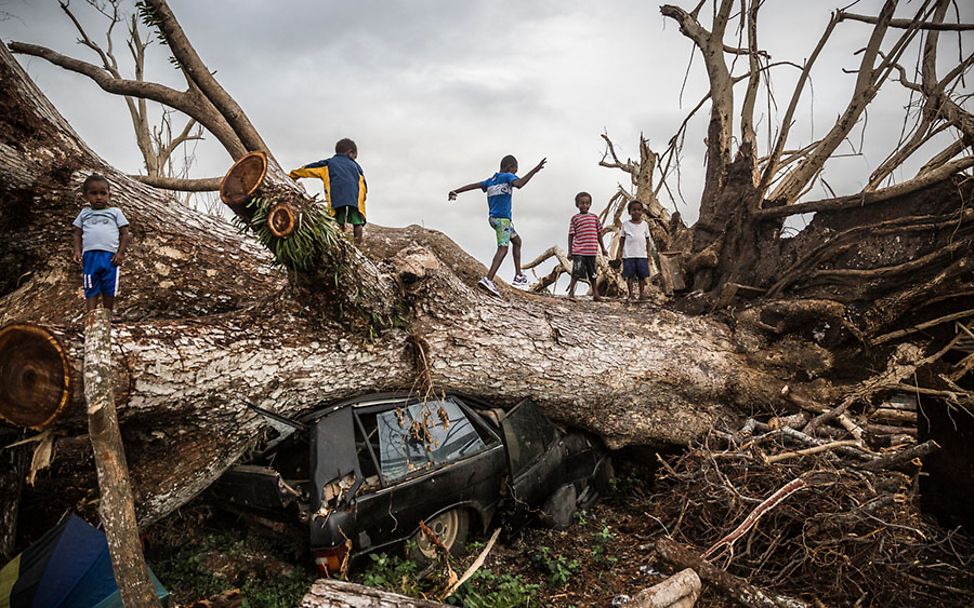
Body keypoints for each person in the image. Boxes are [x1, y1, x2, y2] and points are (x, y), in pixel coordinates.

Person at [448, 154, 546, 297]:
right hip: (502, 221)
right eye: (515, 170)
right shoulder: (507, 177)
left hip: (494, 219)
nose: (515, 174)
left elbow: (473, 185)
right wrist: (535, 170)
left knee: (517, 241)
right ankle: (488, 279)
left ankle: (518, 275)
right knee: (503, 249)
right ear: (509, 168)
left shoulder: (491, 180)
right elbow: (519, 184)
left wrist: (456, 191)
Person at [289, 138, 368, 244]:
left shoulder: (328, 164)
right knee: (357, 222)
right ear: (350, 152)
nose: (355, 158)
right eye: (355, 156)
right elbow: (364, 185)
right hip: (355, 198)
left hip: (337, 197)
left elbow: (308, 169)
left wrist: (292, 176)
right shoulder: (357, 167)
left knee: (337, 219)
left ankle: (339, 242)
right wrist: (362, 201)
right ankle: (358, 246)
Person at [72, 174, 131, 313]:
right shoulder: (84, 213)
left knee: (109, 286)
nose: (98, 197)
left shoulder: (115, 212)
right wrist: (77, 251)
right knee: (90, 286)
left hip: (110, 257)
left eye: (103, 193)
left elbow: (125, 233)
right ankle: (90, 316)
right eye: (93, 193)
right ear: (86, 196)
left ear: (109, 195)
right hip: (90, 257)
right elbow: (77, 233)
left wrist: (120, 253)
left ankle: (107, 315)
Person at [566, 191, 607, 301]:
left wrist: (603, 248)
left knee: (592, 274)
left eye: (587, 203)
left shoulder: (594, 218)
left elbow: (599, 234)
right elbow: (571, 235)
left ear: (590, 204)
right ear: (577, 205)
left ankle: (595, 294)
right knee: (576, 272)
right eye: (582, 203)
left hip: (591, 251)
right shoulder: (575, 218)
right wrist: (570, 251)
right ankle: (571, 293)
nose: (584, 205)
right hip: (579, 251)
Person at [615, 199, 656, 302]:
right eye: (634, 210)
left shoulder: (645, 225)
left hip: (642, 255)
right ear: (629, 212)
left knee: (642, 276)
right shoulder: (625, 225)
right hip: (628, 255)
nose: (636, 212)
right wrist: (619, 252)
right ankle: (631, 295)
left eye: (638, 210)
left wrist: (649, 253)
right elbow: (622, 240)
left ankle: (642, 295)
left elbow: (647, 239)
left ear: (642, 211)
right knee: (630, 276)